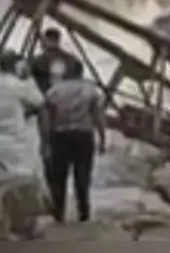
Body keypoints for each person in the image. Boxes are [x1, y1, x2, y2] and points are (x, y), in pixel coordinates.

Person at [43, 60, 105, 223]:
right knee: (83, 176)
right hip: (83, 136)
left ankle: (58, 212)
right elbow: (97, 116)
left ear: (65, 73)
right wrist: (102, 137)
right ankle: (84, 212)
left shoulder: (54, 91)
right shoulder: (90, 91)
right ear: (81, 73)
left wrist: (46, 141)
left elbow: (48, 118)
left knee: (59, 177)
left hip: (60, 135)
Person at [0, 50, 44, 177]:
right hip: (16, 142)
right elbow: (39, 101)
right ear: (16, 66)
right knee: (23, 179)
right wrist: (29, 78)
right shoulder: (18, 86)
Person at [29, 28, 82, 94]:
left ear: (48, 40)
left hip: (49, 97)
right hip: (70, 97)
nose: (41, 43)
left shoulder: (40, 60)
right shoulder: (73, 59)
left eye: (43, 40)